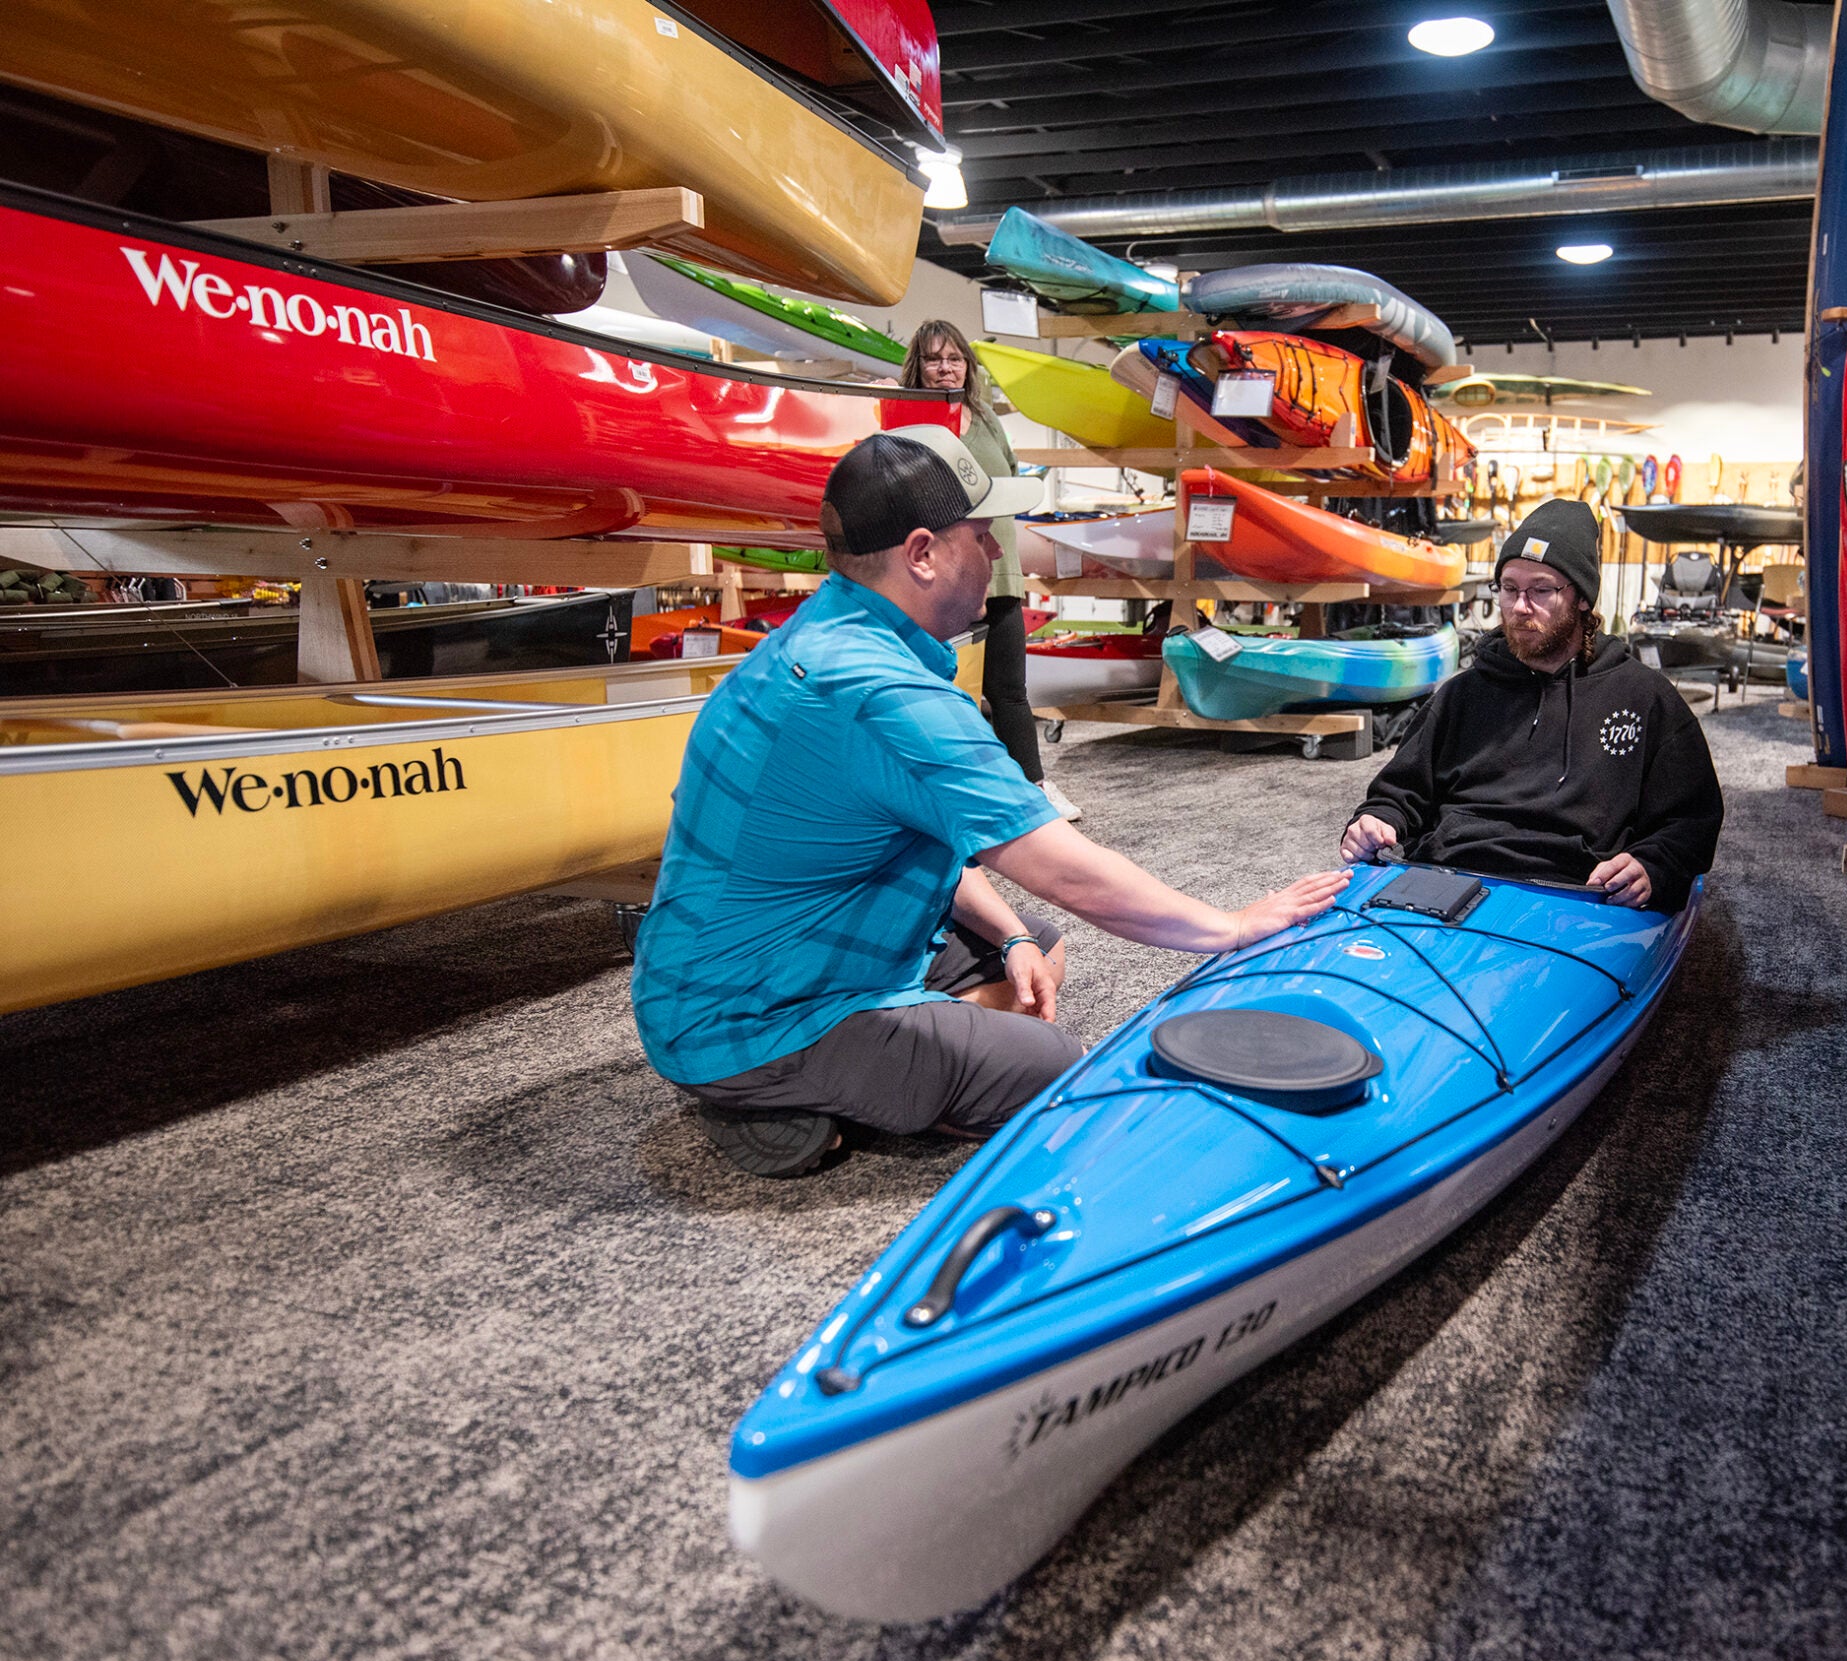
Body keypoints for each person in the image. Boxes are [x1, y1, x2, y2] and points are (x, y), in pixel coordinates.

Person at [634, 424, 1347, 1172]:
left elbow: (915, 829)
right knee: (1049, 1067)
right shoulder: (881, 692)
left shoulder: (824, 631)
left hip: (761, 954)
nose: (998, 554)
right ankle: (769, 1091)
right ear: (922, 554)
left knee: (1037, 950)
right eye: (981, 535)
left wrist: (1009, 937)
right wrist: (1231, 926)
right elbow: (1065, 868)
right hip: (742, 1013)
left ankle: (863, 1078)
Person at [1340, 498, 1723, 909]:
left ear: (1581, 598)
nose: (1521, 607)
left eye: (1541, 590)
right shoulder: (1461, 694)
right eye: (1509, 589)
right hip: (1449, 874)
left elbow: (1691, 818)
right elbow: (1399, 793)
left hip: (1577, 889)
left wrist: (1653, 864)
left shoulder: (1644, 697)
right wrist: (1376, 820)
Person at [901, 319, 1082, 822]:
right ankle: (944, 796)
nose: (944, 368)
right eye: (935, 359)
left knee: (1008, 691)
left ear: (967, 365)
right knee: (940, 692)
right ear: (918, 365)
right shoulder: (906, 420)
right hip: (940, 578)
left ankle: (1034, 788)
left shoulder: (985, 418)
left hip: (998, 571)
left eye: (954, 358)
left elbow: (1006, 482)